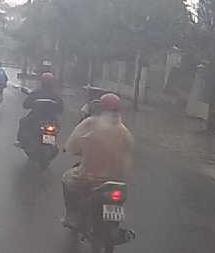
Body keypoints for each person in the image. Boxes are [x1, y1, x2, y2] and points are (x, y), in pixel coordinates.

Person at [62, 93, 134, 229]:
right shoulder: (125, 131)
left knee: (67, 178)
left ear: (101, 107)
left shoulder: (90, 123)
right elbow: (128, 157)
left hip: (88, 178)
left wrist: (72, 149)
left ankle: (72, 216)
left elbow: (72, 147)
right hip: (116, 182)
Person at [17, 72, 64, 145]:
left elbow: (25, 105)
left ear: (41, 82)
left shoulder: (36, 93)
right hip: (51, 120)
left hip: (36, 117)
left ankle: (20, 141)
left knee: (23, 121)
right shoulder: (56, 95)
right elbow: (60, 109)